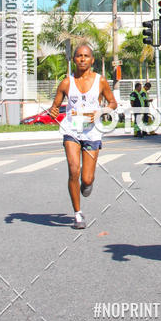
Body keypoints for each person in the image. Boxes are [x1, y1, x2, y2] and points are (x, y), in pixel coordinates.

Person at [49, 43, 117, 230]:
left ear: (92, 60)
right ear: (74, 59)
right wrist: (54, 111)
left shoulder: (100, 81)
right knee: (73, 170)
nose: (82, 59)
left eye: (86, 56)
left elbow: (113, 103)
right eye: (79, 56)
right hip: (71, 130)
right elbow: (55, 106)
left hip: (92, 132)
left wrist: (101, 112)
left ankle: (86, 186)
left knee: (86, 179)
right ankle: (78, 214)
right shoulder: (66, 83)